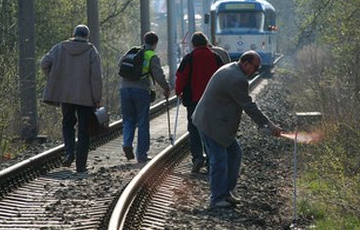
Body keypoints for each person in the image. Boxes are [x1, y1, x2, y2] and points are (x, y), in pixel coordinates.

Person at [192, 50, 282, 208]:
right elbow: (249, 106)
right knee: (219, 160)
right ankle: (217, 198)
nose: (256, 71)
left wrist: (263, 125)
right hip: (212, 123)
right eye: (255, 67)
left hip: (213, 120)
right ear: (246, 63)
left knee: (234, 153)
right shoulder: (237, 79)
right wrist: (269, 124)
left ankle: (226, 193)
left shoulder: (231, 68)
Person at [40, 24, 103, 174]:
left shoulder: (60, 48)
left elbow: (44, 63)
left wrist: (55, 78)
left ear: (73, 34)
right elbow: (96, 78)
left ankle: (69, 153)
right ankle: (81, 166)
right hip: (85, 97)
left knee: (67, 123)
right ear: (87, 36)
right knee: (83, 131)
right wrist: (97, 98)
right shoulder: (91, 51)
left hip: (66, 95)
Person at [175, 32, 223, 173]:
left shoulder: (189, 58)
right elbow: (222, 75)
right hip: (213, 101)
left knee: (194, 129)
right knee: (210, 130)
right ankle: (210, 160)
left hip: (193, 101)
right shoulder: (216, 57)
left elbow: (181, 77)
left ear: (193, 44)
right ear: (206, 42)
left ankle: (197, 158)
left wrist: (178, 92)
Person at [120, 31, 171, 163]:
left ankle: (126, 142)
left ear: (144, 40)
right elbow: (159, 76)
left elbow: (120, 64)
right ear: (155, 43)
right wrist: (166, 87)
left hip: (124, 89)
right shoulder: (152, 56)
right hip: (141, 90)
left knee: (128, 119)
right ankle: (141, 155)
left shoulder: (132, 51)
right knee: (142, 122)